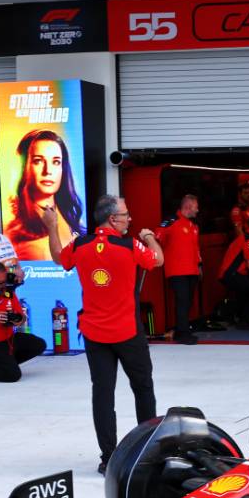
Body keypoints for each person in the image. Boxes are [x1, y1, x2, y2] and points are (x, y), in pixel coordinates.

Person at [46, 195, 163, 475]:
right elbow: (157, 260)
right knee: (143, 388)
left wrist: (51, 226)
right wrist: (149, 238)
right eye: (126, 215)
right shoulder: (130, 245)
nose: (130, 219)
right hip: (127, 331)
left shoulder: (81, 244)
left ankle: (108, 457)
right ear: (113, 219)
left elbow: (58, 258)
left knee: (102, 393)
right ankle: (145, 451)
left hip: (95, 334)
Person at [5, 129, 85, 261]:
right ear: (25, 167)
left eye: (56, 162)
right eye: (38, 161)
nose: (48, 171)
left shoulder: (73, 219)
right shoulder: (16, 234)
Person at [156, 194, 202, 345]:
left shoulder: (194, 226)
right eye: (196, 206)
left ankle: (181, 330)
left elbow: (196, 250)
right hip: (177, 271)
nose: (198, 210)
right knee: (182, 301)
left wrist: (199, 266)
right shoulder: (171, 222)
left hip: (192, 270)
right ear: (188, 206)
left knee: (187, 302)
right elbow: (156, 238)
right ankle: (183, 333)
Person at [219, 213, 249, 329]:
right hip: (231, 274)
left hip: (232, 273)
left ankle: (232, 317)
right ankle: (243, 321)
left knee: (245, 293)